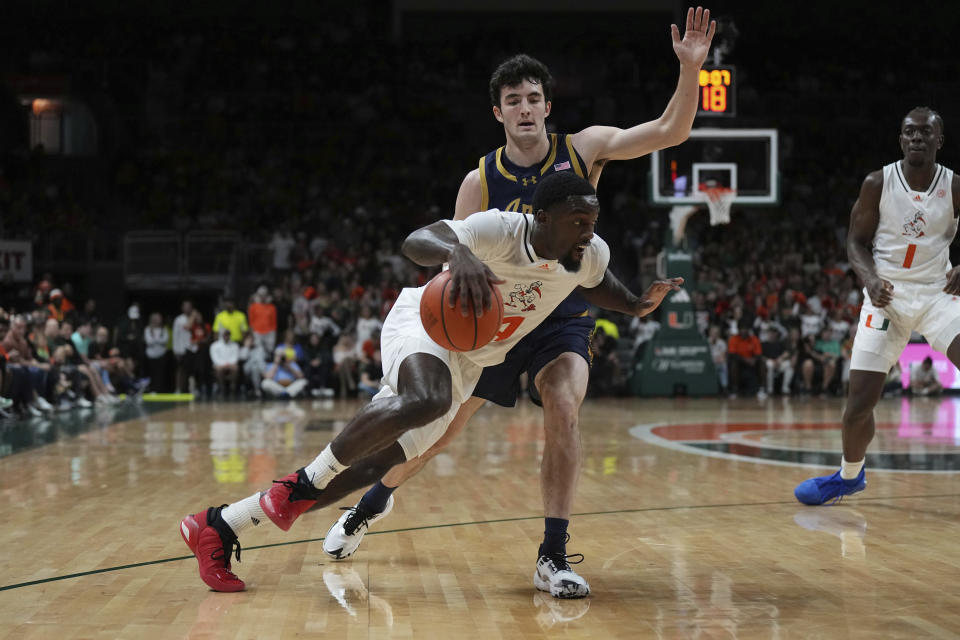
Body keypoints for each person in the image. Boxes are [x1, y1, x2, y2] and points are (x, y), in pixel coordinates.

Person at [320, 6, 716, 599]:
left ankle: (553, 556)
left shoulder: (585, 149)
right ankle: (367, 508)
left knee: (563, 403)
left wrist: (690, 70)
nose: (525, 107)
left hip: (563, 315)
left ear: (547, 107)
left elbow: (669, 131)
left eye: (534, 97)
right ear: (498, 112)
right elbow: (455, 273)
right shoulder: (480, 180)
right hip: (498, 323)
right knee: (438, 434)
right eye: (514, 99)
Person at [180, 173, 682, 595]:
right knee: (426, 399)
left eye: (592, 223)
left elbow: (601, 283)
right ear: (543, 219)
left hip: (472, 362)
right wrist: (456, 252)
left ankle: (220, 524)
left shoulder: (588, 252)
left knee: (373, 465)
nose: (587, 234)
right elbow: (417, 239)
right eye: (578, 223)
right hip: (427, 326)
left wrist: (638, 303)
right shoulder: (500, 229)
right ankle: (301, 483)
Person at [795, 107, 960, 505]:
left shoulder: (954, 185)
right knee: (858, 406)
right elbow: (855, 242)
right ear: (900, 139)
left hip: (938, 295)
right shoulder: (877, 182)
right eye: (909, 132)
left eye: (925, 132)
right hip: (886, 296)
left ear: (939, 140)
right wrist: (870, 279)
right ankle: (849, 476)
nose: (916, 138)